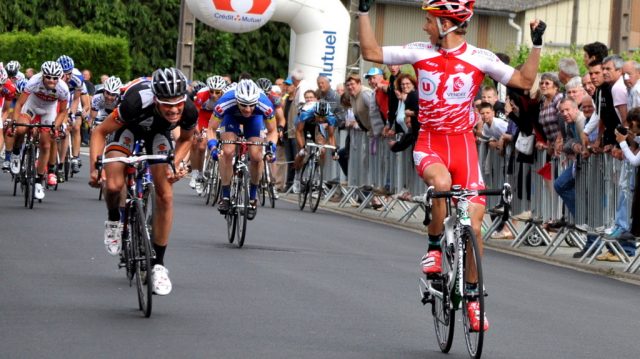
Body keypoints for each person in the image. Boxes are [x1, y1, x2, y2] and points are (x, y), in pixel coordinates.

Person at [357, 0, 545, 332]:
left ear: (446, 24)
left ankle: (473, 300)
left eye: (429, 21)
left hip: (463, 148)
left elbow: (525, 79)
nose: (424, 27)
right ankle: (432, 250)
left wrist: (537, 45)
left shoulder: (479, 57)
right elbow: (371, 52)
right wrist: (363, 12)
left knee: (474, 227)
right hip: (430, 142)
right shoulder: (419, 52)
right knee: (440, 185)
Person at [89, 68, 195, 296]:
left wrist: (174, 164)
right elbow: (99, 132)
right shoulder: (135, 102)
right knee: (115, 185)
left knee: (165, 195)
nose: (174, 109)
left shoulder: (188, 109)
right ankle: (114, 219)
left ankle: (159, 264)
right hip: (127, 129)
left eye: (178, 103)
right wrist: (96, 169)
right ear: (156, 99)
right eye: (167, 104)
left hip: (158, 134)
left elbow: (187, 140)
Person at [207, 79, 277, 218]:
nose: (248, 109)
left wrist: (271, 149)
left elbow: (273, 131)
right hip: (230, 117)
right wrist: (213, 148)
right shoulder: (225, 102)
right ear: (237, 100)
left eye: (251, 105)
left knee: (257, 157)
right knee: (227, 151)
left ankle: (252, 198)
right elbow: (211, 128)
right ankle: (226, 196)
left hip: (255, 120)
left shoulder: (265, 105)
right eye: (244, 105)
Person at [8, 61, 69, 200]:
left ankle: (38, 182)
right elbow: (19, 103)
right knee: (22, 128)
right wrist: (15, 122)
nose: (52, 81)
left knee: (46, 144)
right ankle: (16, 153)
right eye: (48, 77)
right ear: (43, 75)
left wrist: (55, 126)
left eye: (55, 78)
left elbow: (63, 111)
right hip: (32, 106)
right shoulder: (34, 81)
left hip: (49, 110)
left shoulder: (63, 88)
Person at [189, 75, 226, 194]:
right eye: (211, 91)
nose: (214, 95)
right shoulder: (201, 95)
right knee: (199, 145)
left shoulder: (226, 97)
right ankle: (197, 173)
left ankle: (214, 172)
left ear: (222, 91)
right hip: (203, 117)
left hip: (217, 118)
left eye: (217, 92)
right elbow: (195, 115)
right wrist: (197, 131)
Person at [292, 100, 339, 191]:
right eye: (319, 116)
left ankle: (318, 172)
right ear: (315, 113)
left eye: (323, 117)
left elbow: (331, 136)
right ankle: (297, 176)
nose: (321, 119)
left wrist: (334, 151)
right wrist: (302, 147)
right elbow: (299, 132)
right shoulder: (306, 113)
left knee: (322, 149)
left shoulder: (331, 117)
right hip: (303, 124)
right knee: (302, 153)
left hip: (316, 126)